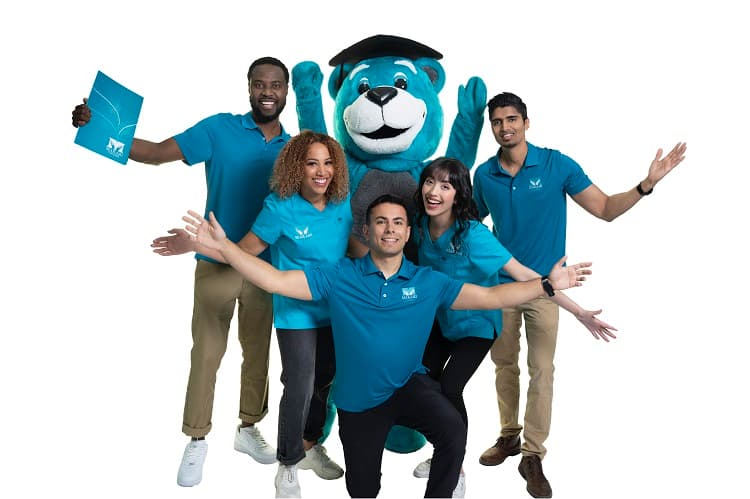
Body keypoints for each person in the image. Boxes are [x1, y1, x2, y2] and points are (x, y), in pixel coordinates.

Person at [185, 193, 593, 498]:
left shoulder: (427, 281)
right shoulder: (339, 276)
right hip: (359, 405)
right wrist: (226, 249)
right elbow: (274, 280)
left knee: (452, 430)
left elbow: (491, 298)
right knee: (364, 489)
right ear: (367, 231)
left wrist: (545, 285)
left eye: (398, 222)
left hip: (408, 387)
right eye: (381, 222)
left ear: (408, 232)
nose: (390, 228)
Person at [71, 56, 292, 487]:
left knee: (258, 354)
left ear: (286, 91)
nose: (268, 91)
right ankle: (197, 439)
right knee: (206, 355)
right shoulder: (219, 130)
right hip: (215, 264)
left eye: (276, 85)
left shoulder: (295, 149)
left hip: (267, 269)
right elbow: (154, 154)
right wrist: (95, 125)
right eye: (260, 84)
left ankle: (248, 428)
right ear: (248, 88)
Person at [472, 92, 687, 498]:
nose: (505, 127)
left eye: (512, 119)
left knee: (542, 370)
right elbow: (470, 227)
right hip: (500, 286)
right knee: (504, 365)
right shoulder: (484, 175)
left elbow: (605, 208)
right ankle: (509, 435)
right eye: (497, 121)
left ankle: (532, 455)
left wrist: (645, 185)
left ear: (527, 122)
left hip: (547, 289)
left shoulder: (556, 165)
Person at [408, 157, 617, 495]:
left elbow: (524, 275)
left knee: (450, 387)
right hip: (444, 320)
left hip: (478, 323)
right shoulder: (419, 224)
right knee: (422, 380)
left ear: (459, 195)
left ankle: (453, 463)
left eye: (445, 186)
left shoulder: (474, 236)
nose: (434, 191)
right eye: (430, 182)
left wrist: (577, 310)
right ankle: (443, 450)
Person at [178, 130, 350, 497]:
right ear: (295, 168)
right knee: (300, 384)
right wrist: (203, 244)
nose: (321, 171)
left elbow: (356, 251)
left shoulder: (343, 203)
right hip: (295, 314)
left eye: (328, 162)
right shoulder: (279, 207)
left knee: (327, 382)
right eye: (311, 163)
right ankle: (287, 465)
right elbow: (245, 252)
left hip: (336, 311)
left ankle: (309, 445)